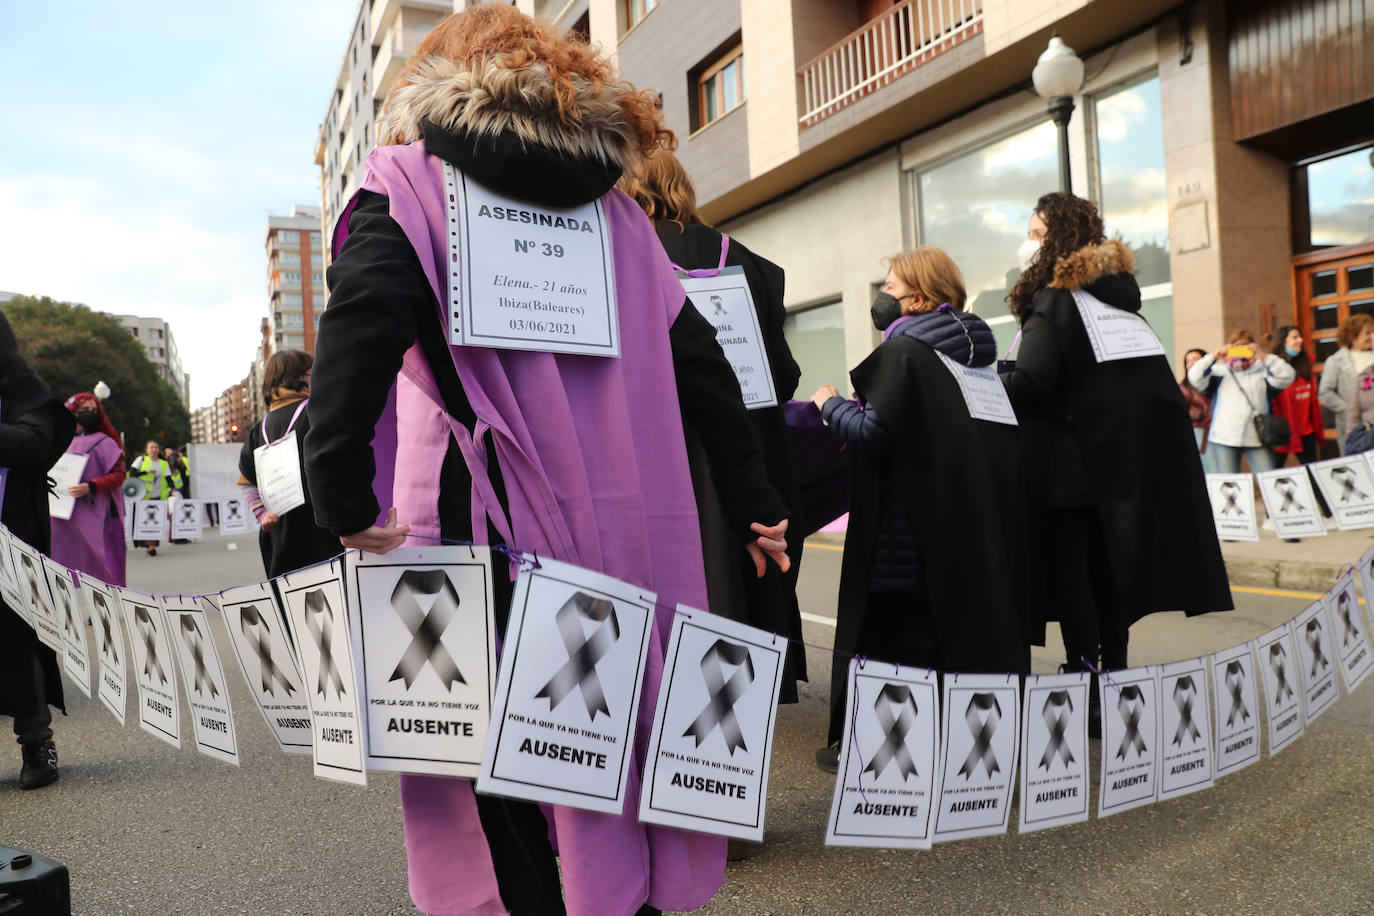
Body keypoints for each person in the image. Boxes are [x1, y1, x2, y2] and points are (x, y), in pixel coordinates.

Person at [302, 8, 789, 915]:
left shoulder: (408, 184)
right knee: (612, 731)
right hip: (628, 534)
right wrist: (756, 499)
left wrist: (341, 494)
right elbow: (703, 366)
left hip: (471, 525)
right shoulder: (619, 216)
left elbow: (358, 329)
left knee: (493, 769)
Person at [1001, 191, 1231, 728]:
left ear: (1054, 238)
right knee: (1109, 578)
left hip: (1065, 471)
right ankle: (1116, 676)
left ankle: (1085, 681)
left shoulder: (1057, 301)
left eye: (1035, 231)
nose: (1028, 241)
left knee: (1073, 578)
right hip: (1117, 469)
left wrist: (994, 380)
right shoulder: (1119, 304)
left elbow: (1033, 381)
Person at [810, 247, 1028, 771]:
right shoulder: (975, 360)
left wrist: (828, 405)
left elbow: (875, 434)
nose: (882, 297)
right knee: (940, 639)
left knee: (891, 644)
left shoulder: (907, 354)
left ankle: (884, 753)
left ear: (920, 297)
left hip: (902, 530)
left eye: (889, 287)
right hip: (966, 528)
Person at [619, 151, 808, 705]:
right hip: (748, 447)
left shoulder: (627, 254)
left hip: (665, 452)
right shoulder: (749, 263)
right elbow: (785, 374)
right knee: (745, 577)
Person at [0, 312, 77, 788]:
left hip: (11, 543)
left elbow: (33, 445)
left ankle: (36, 743)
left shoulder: (23, 388)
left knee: (15, 641)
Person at [237, 351, 339, 578]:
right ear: (301, 376)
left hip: (278, 537)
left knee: (288, 608)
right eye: (310, 371)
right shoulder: (318, 412)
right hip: (323, 533)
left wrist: (262, 514)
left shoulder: (257, 430)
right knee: (331, 607)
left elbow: (245, 482)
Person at [1186, 329, 1295, 473]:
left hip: (1257, 437)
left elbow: (1287, 375)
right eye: (1236, 345)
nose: (1240, 349)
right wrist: (1214, 355)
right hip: (1224, 438)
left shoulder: (1263, 370)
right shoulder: (1220, 372)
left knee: (1267, 478)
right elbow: (1194, 376)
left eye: (1245, 345)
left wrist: (1265, 357)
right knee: (1229, 483)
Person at [50, 392, 127, 586]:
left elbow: (119, 475)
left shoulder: (105, 442)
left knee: (96, 565)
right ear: (73, 411)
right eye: (85, 410)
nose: (90, 413)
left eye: (94, 410)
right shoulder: (56, 439)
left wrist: (91, 486)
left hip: (93, 512)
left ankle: (100, 605)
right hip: (59, 511)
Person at [1318, 313, 1374, 454]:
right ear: (1353, 334)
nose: (1371, 336)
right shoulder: (1336, 360)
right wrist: (1347, 408)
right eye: (1367, 332)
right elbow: (1325, 392)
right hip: (1353, 426)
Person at [128, 440, 172, 555]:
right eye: (151, 447)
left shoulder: (163, 463)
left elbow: (168, 478)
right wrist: (145, 472)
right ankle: (149, 544)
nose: (154, 449)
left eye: (156, 447)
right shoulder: (141, 460)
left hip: (158, 497)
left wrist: (173, 490)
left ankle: (152, 544)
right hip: (143, 497)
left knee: (155, 521)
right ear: (147, 450)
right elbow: (132, 474)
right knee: (144, 521)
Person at [1180, 348, 1217, 473]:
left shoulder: (1216, 380)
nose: (1191, 364)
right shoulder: (1183, 387)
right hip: (1199, 431)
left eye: (1196, 359)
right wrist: (1198, 413)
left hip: (1220, 430)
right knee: (1209, 470)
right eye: (1188, 361)